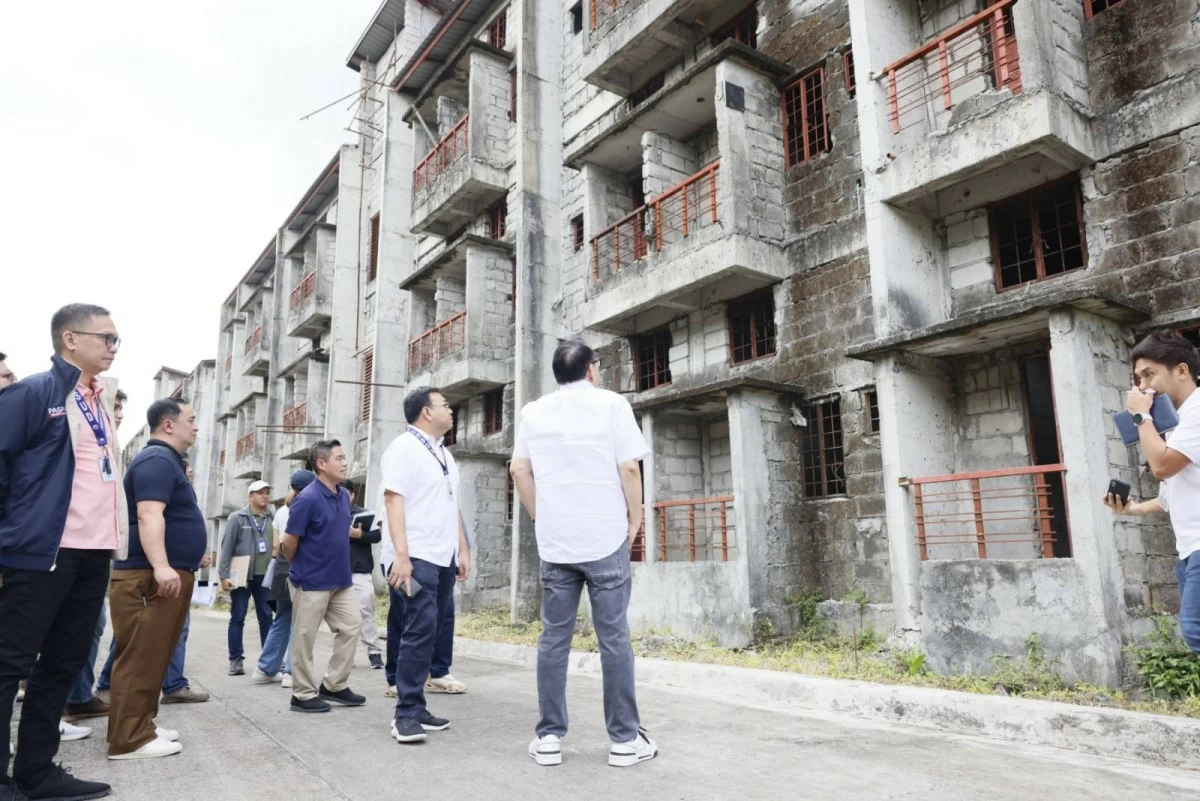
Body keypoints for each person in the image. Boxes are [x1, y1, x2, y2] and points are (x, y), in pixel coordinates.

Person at [510, 339, 657, 768]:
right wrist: (636, 519)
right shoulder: (612, 405)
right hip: (604, 539)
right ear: (592, 370)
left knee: (553, 640)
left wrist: (541, 516)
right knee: (614, 639)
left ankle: (550, 738)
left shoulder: (533, 412)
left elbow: (519, 469)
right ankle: (624, 742)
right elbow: (629, 467)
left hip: (557, 544)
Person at [0, 303, 126, 800]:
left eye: (117, 340)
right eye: (107, 338)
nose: (113, 347)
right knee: (10, 664)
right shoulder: (33, 393)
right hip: (39, 553)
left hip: (93, 554)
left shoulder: (98, 401)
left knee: (62, 663)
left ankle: (37, 771)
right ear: (70, 339)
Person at [106, 397, 206, 760]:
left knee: (154, 656)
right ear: (168, 424)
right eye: (191, 419)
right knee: (140, 658)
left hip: (162, 573)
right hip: (148, 576)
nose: (196, 426)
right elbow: (149, 515)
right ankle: (128, 740)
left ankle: (140, 725)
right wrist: (162, 566)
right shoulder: (156, 460)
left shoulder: (168, 462)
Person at [381, 387, 471, 743]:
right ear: (426, 412)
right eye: (445, 405)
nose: (451, 410)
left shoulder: (445, 455)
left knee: (432, 628)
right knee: (417, 629)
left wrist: (461, 550)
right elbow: (393, 501)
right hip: (415, 555)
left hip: (442, 554)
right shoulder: (403, 448)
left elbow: (452, 507)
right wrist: (401, 556)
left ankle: (418, 707)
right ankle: (405, 714)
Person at [1106, 331, 1200, 651]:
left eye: (1149, 374)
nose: (1143, 386)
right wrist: (1133, 509)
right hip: (1189, 551)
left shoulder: (1197, 415)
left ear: (1182, 371)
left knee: (1194, 630)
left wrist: (1141, 416)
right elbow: (1174, 493)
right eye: (1138, 378)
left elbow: (1160, 466)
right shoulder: (1178, 422)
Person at [281, 440, 365, 713]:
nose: (345, 463)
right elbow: (289, 542)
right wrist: (302, 567)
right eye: (339, 458)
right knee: (305, 638)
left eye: (344, 458)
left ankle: (334, 685)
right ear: (321, 464)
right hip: (311, 580)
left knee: (352, 627)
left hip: (340, 580)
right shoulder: (307, 498)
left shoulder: (342, 496)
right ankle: (302, 694)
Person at [252, 470, 316, 688]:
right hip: (298, 566)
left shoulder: (280, 511)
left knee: (282, 618)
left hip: (280, 566)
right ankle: (290, 671)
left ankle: (266, 668)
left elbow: (275, 545)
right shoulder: (308, 506)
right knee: (299, 621)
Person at [219, 480, 276, 676]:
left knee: (267, 618)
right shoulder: (237, 517)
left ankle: (269, 661)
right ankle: (235, 660)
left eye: (267, 492)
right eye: (260, 493)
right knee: (238, 617)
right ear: (250, 496)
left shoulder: (272, 516)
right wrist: (223, 575)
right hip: (242, 575)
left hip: (266, 577)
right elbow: (226, 548)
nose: (265, 496)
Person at [344, 479, 384, 670]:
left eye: (347, 493)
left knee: (366, 611)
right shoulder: (331, 513)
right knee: (342, 616)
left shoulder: (363, 514)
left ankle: (374, 652)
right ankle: (345, 656)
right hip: (337, 571)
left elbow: (377, 537)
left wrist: (360, 536)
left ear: (352, 494)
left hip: (360, 570)